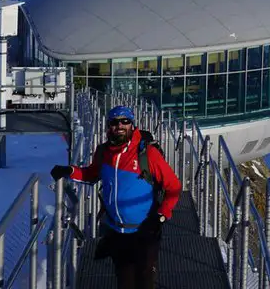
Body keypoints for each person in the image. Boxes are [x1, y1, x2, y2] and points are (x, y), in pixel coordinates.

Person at [50, 105, 182, 289]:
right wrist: (69, 170)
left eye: (125, 121)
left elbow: (173, 186)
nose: (120, 125)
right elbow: (92, 175)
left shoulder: (147, 154)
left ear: (132, 125)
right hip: (116, 231)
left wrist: (162, 215)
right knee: (124, 281)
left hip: (145, 231)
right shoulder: (103, 152)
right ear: (108, 126)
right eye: (114, 122)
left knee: (145, 281)